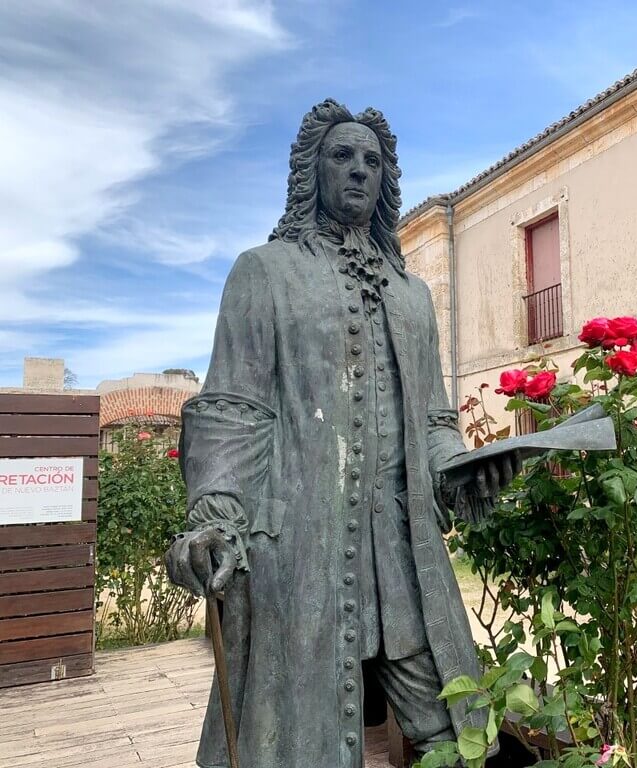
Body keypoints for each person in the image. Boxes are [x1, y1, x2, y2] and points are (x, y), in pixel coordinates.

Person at [165, 99, 517, 768]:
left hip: (406, 564)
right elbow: (231, 410)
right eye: (343, 156)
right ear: (312, 172)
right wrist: (214, 516)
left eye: (373, 161)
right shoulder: (263, 274)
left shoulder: (413, 295)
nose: (360, 170)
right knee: (298, 742)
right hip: (300, 557)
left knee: (459, 731)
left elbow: (435, 424)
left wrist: (463, 470)